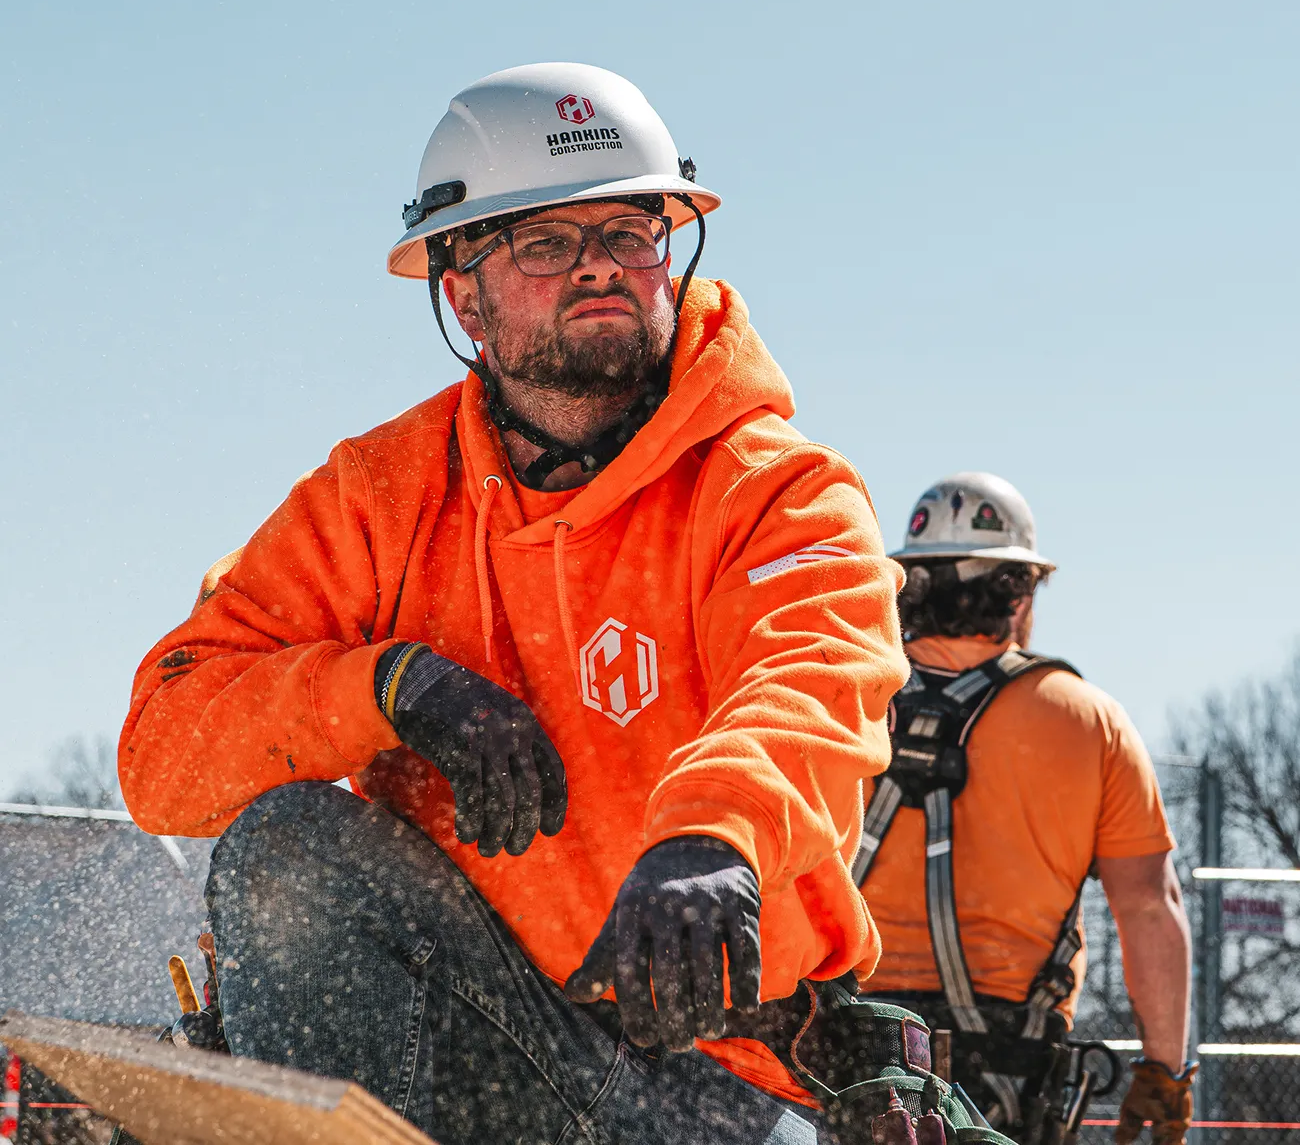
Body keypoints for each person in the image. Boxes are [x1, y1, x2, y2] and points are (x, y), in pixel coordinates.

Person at [119, 63, 915, 1145]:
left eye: (630, 234)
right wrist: (391, 687)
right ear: (462, 293)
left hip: (709, 1084)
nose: (600, 268)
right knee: (286, 845)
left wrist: (715, 836)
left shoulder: (774, 487)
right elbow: (166, 751)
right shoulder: (380, 497)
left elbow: (814, 678)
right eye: (546, 243)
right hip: (471, 1046)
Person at [853, 471, 1196, 1145]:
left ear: (909, 585)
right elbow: (1151, 908)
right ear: (1019, 592)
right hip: (1006, 1078)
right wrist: (1163, 1070)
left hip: (843, 1058)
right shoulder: (1088, 720)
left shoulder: (846, 697)